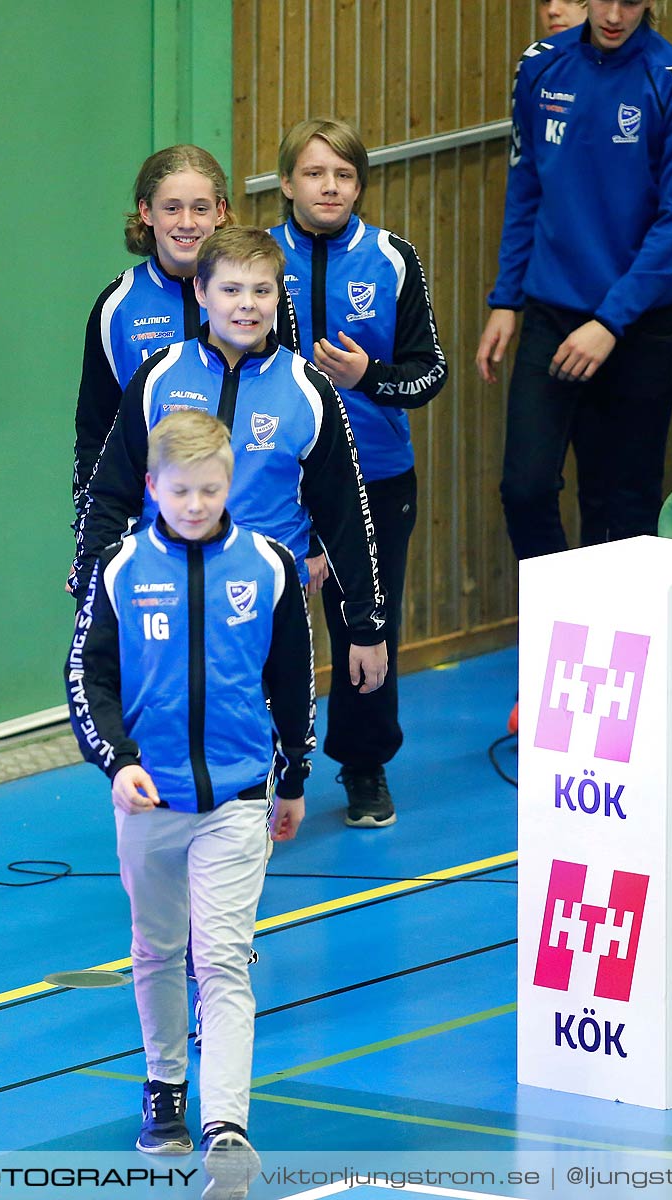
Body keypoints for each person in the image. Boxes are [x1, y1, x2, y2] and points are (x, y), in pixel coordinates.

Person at [66, 410, 312, 1198]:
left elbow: (294, 680)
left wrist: (295, 775)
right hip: (148, 803)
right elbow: (88, 680)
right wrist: (116, 762)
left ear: (230, 482)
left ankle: (226, 1125)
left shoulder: (269, 566)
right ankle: (165, 1090)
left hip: (238, 799)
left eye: (210, 489)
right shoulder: (118, 569)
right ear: (152, 488)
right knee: (157, 948)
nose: (197, 504)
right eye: (180, 490)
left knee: (223, 959)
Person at [74, 226, 389, 694]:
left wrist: (367, 626)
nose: (247, 304)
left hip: (265, 603)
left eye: (262, 290)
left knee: (274, 749)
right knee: (164, 744)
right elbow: (111, 492)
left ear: (278, 296)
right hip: (163, 596)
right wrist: (93, 589)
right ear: (201, 292)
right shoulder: (159, 374)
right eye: (230, 289)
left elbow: (346, 512)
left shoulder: (309, 390)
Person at [477, 0, 672, 564]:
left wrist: (610, 321)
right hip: (552, 314)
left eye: (629, 1)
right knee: (525, 488)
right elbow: (526, 184)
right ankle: (564, 616)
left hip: (637, 327)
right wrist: (507, 298)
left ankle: (623, 644)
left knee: (622, 508)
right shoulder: (538, 65)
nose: (613, 14)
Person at [272, 117, 447, 827]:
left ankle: (365, 766)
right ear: (287, 183)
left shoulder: (392, 258)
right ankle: (267, 769)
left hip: (377, 478)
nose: (329, 187)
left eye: (343, 175)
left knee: (364, 624)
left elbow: (429, 373)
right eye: (315, 173)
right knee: (270, 626)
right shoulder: (255, 260)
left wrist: (367, 376)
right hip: (278, 479)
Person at [72, 146, 298, 510]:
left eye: (201, 208)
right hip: (157, 518)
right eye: (172, 207)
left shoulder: (260, 294)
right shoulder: (117, 306)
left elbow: (292, 396)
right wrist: (92, 526)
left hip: (253, 513)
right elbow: (96, 429)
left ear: (220, 212)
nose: (187, 222)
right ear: (146, 211)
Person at [532, 0, 672, 357]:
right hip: (561, 305)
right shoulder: (544, 73)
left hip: (640, 312)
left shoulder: (665, 85)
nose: (554, 10)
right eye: (545, 1)